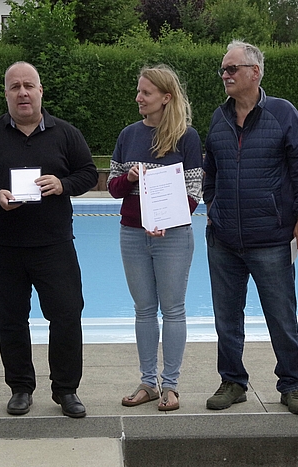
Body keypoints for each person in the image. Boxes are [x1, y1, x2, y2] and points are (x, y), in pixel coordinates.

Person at [0, 62, 98, 418]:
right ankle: (20, 387)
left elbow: (87, 173)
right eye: (14, 87)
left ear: (40, 91)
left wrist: (63, 184)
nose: (22, 92)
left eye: (29, 85)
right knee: (10, 319)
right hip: (1, 246)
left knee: (67, 315)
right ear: (6, 94)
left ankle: (66, 390)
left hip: (54, 245)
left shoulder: (65, 133)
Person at [202, 40, 298, 415]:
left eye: (232, 69)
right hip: (223, 239)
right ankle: (233, 381)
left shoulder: (282, 113)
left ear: (255, 72)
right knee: (226, 317)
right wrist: (212, 206)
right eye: (223, 69)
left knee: (281, 315)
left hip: (270, 237)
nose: (225, 74)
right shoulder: (218, 118)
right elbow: (211, 171)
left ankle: (291, 384)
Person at [108, 65, 202, 412]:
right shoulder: (128, 134)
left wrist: (167, 219)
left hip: (173, 236)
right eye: (138, 91)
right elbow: (112, 187)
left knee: (173, 310)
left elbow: (194, 191)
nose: (138, 98)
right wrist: (130, 177)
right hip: (132, 233)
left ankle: (171, 385)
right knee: (144, 310)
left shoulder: (186, 137)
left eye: (145, 93)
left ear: (166, 97)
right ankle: (148, 382)